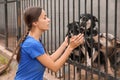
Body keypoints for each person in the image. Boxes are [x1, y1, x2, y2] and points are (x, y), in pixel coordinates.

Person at [14, 6, 84, 80]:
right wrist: (70, 48)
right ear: (35, 23)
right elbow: (54, 67)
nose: (49, 20)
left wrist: (65, 44)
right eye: (44, 18)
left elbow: (50, 59)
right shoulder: (32, 44)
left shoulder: (34, 41)